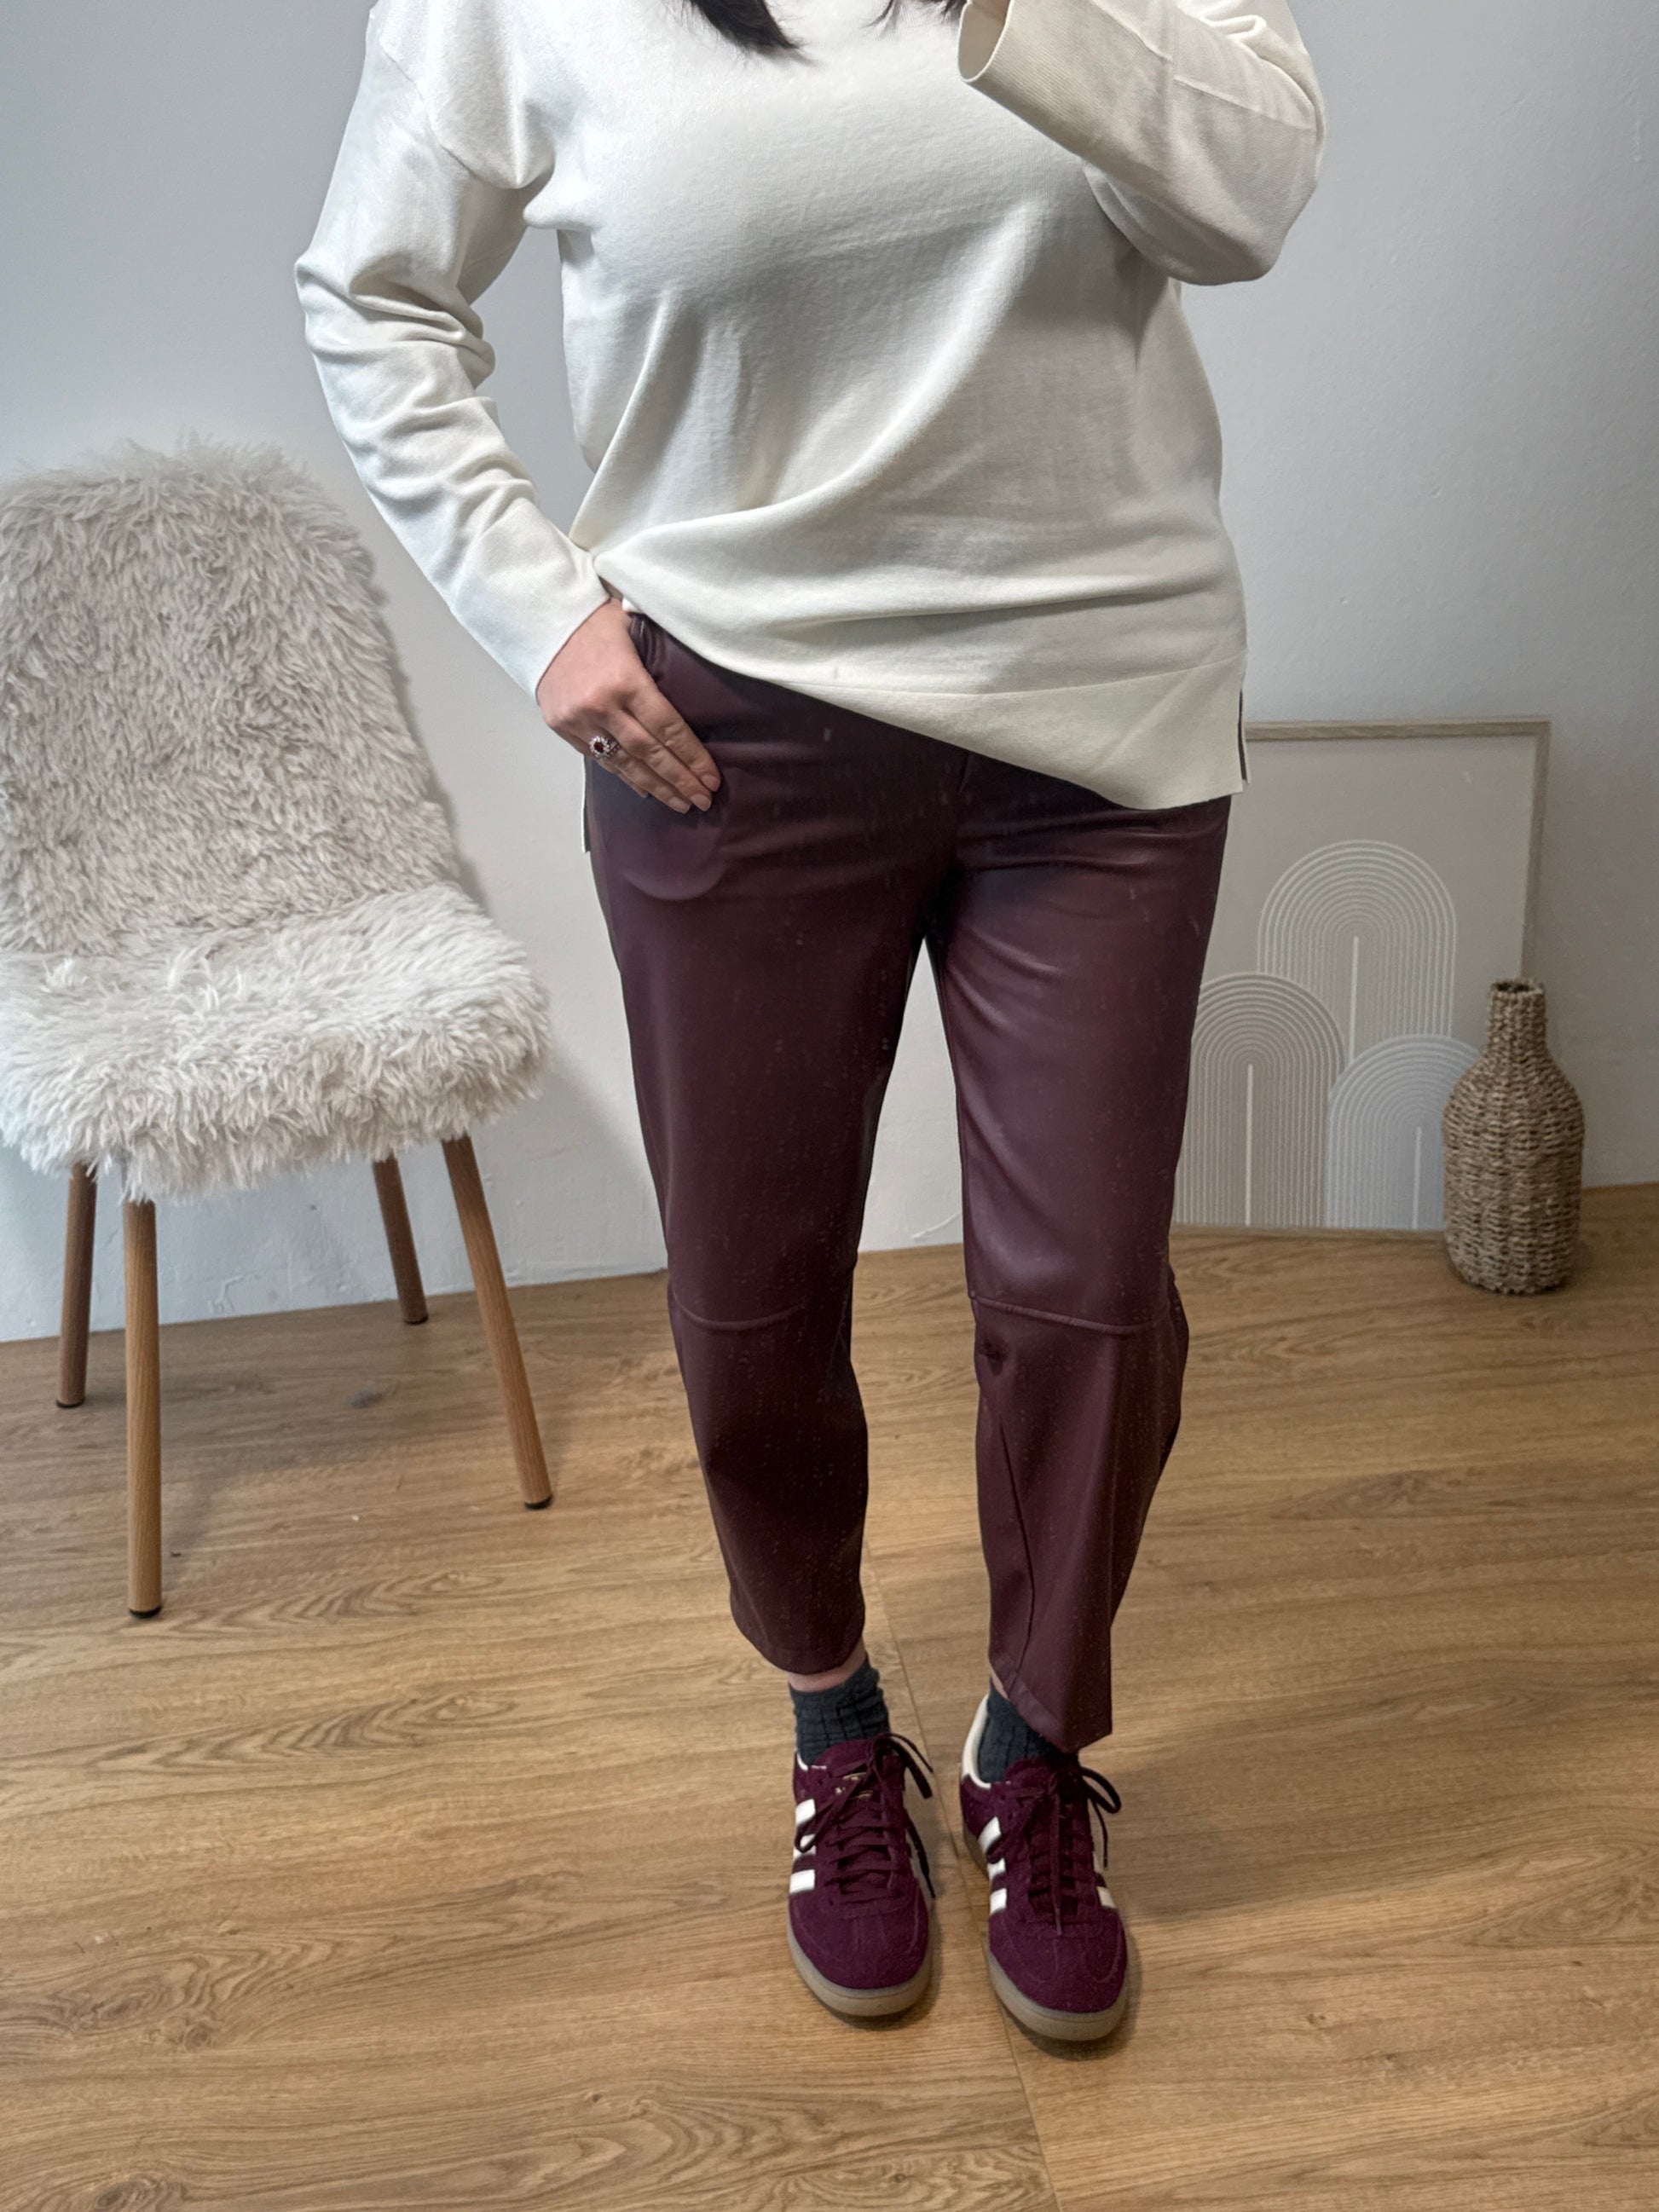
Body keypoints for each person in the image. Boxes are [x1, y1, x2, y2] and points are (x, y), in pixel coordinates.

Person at [296, 0, 1325, 2042]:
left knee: (1089, 1294)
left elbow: (1249, 197)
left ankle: (1031, 1742)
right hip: (726, 738)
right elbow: (371, 290)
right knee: (751, 1293)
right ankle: (832, 1718)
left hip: (1101, 719)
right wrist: (539, 608)